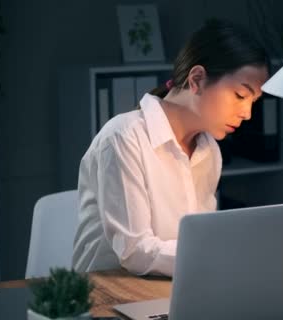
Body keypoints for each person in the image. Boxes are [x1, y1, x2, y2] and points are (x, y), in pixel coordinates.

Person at [72, 19, 269, 276]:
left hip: (172, 287)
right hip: (106, 294)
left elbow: (200, 236)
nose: (247, 114)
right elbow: (135, 251)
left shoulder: (209, 151)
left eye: (254, 101)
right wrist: (219, 256)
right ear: (197, 79)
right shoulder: (123, 138)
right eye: (241, 95)